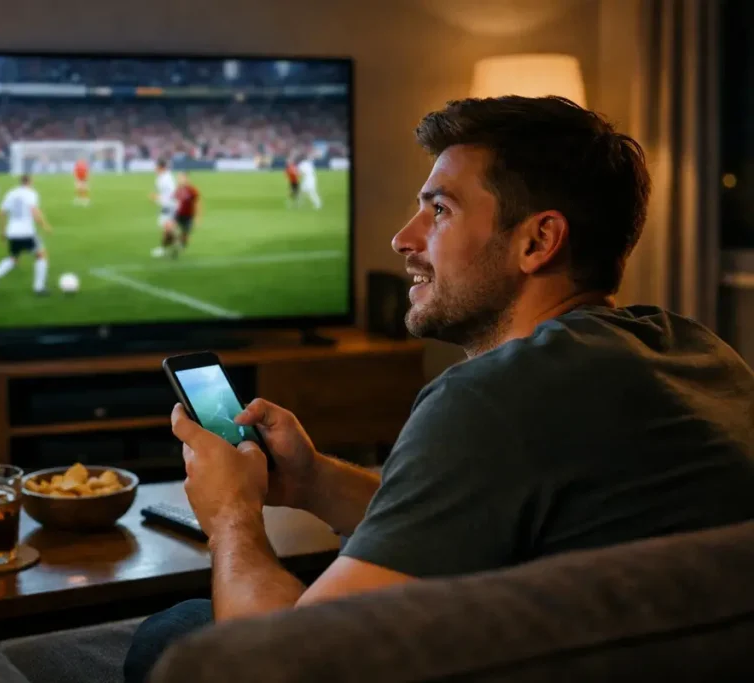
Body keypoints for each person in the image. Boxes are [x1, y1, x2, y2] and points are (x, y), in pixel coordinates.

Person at [115, 95, 754, 681]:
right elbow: (485, 517)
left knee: (174, 636)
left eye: (439, 210)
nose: (403, 239)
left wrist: (232, 519)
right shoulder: (696, 351)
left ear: (537, 241)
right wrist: (312, 481)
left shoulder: (491, 398)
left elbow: (293, 659)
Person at [0, 174, 52, 296]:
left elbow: (1, 213)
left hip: (12, 232)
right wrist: (45, 225)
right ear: (30, 182)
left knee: (14, 258)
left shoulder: (11, 193)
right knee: (41, 255)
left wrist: (2, 233)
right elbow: (34, 212)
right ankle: (39, 288)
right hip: (27, 232)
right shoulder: (31, 193)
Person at [150, 159, 178, 258]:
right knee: (167, 228)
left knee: (167, 228)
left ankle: (163, 249)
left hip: (170, 206)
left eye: (156, 167)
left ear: (160, 167)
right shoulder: (160, 177)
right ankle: (176, 244)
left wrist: (158, 198)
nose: (154, 169)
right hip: (166, 205)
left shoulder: (167, 178)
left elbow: (173, 193)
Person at [172, 171, 200, 252]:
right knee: (171, 229)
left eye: (181, 178)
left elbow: (197, 203)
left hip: (188, 216)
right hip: (178, 214)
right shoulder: (177, 189)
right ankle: (176, 243)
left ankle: (181, 245)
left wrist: (197, 218)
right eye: (179, 178)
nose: (179, 180)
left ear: (186, 178)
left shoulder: (192, 189)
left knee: (185, 235)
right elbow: (173, 200)